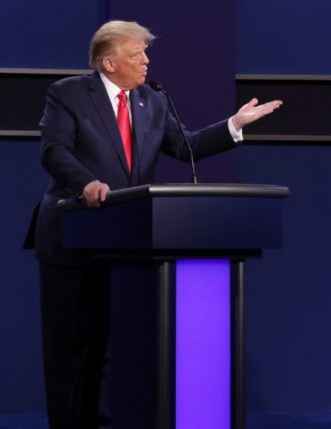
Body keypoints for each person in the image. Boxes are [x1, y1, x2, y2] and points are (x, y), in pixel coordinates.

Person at [29, 20, 282, 429]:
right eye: (136, 55)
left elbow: (186, 145)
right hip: (73, 237)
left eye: (146, 53)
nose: (146, 62)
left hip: (129, 242)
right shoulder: (69, 93)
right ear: (109, 63)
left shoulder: (152, 101)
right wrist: (86, 183)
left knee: (119, 347)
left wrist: (234, 125)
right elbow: (54, 151)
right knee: (74, 349)